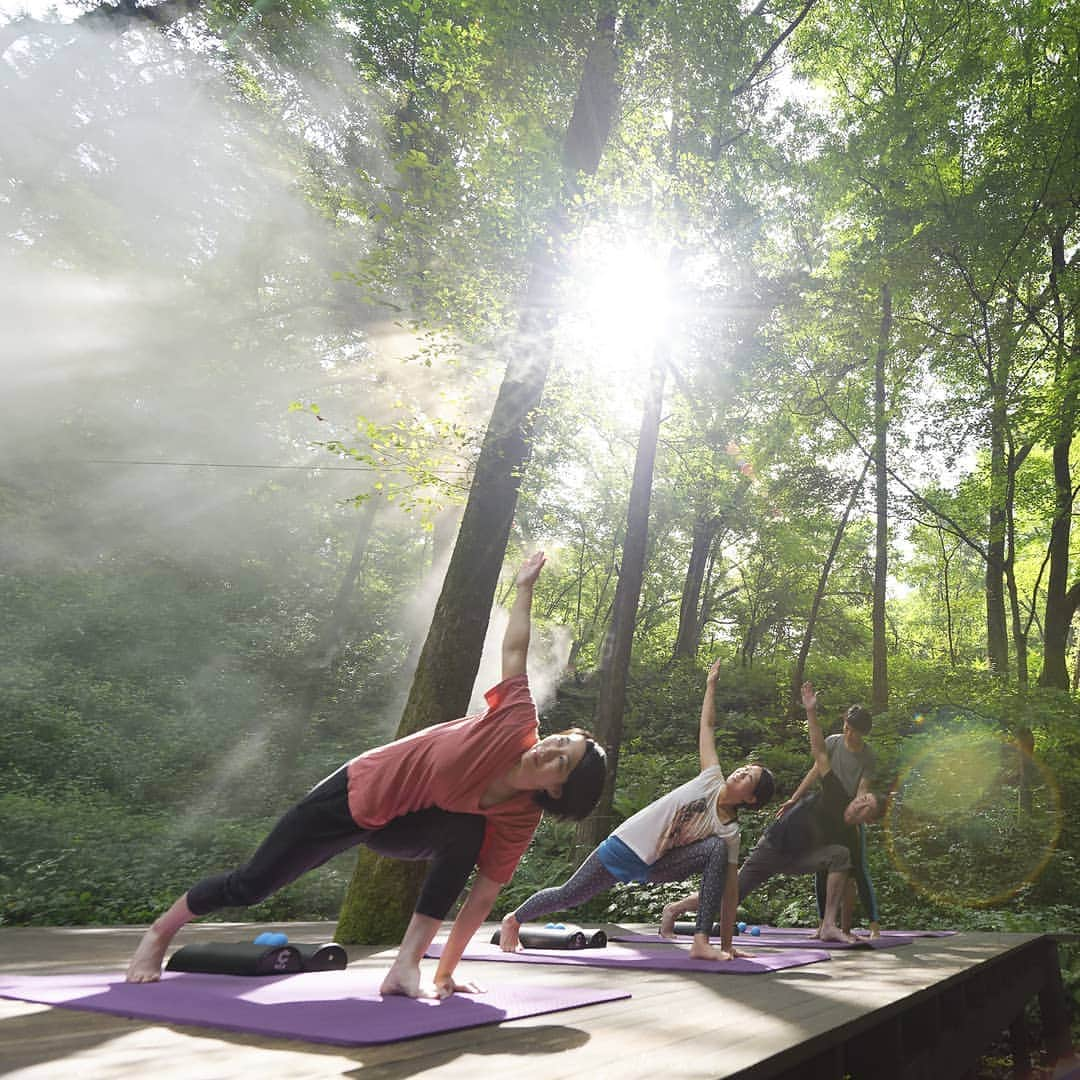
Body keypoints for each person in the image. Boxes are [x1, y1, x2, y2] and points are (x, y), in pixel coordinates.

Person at [125, 552, 607, 999]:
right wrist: (524, 589)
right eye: (560, 739)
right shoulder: (516, 720)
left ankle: (407, 965)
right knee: (252, 885)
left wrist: (447, 972)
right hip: (354, 796)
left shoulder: (518, 819)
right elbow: (517, 649)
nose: (549, 748)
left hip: (398, 827)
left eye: (560, 760)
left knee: (466, 831)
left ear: (556, 789)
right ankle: (160, 931)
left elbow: (482, 898)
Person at [499, 658, 776, 962]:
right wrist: (711, 686)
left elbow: (730, 892)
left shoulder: (730, 833)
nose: (741, 772)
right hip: (625, 847)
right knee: (570, 894)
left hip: (657, 865)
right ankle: (514, 919)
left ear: (751, 799)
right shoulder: (711, 777)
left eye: (749, 777)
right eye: (745, 768)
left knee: (716, 851)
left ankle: (701, 941)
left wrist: (726, 945)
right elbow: (707, 726)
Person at [661, 681, 881, 944]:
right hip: (775, 846)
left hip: (800, 857)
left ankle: (828, 927)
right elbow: (819, 753)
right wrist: (811, 711)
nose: (860, 802)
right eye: (863, 799)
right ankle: (673, 909)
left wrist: (846, 931)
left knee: (841, 857)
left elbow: (851, 882)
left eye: (866, 806)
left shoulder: (851, 833)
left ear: (867, 818)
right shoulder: (835, 792)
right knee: (732, 895)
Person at [775, 694, 880, 938]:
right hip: (825, 815)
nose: (848, 733)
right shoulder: (833, 742)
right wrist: (795, 797)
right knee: (822, 867)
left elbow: (863, 788)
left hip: (849, 815)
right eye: (846, 727)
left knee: (858, 870)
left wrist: (860, 811)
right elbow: (815, 771)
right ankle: (823, 923)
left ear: (863, 733)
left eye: (853, 730)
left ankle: (873, 925)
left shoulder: (868, 756)